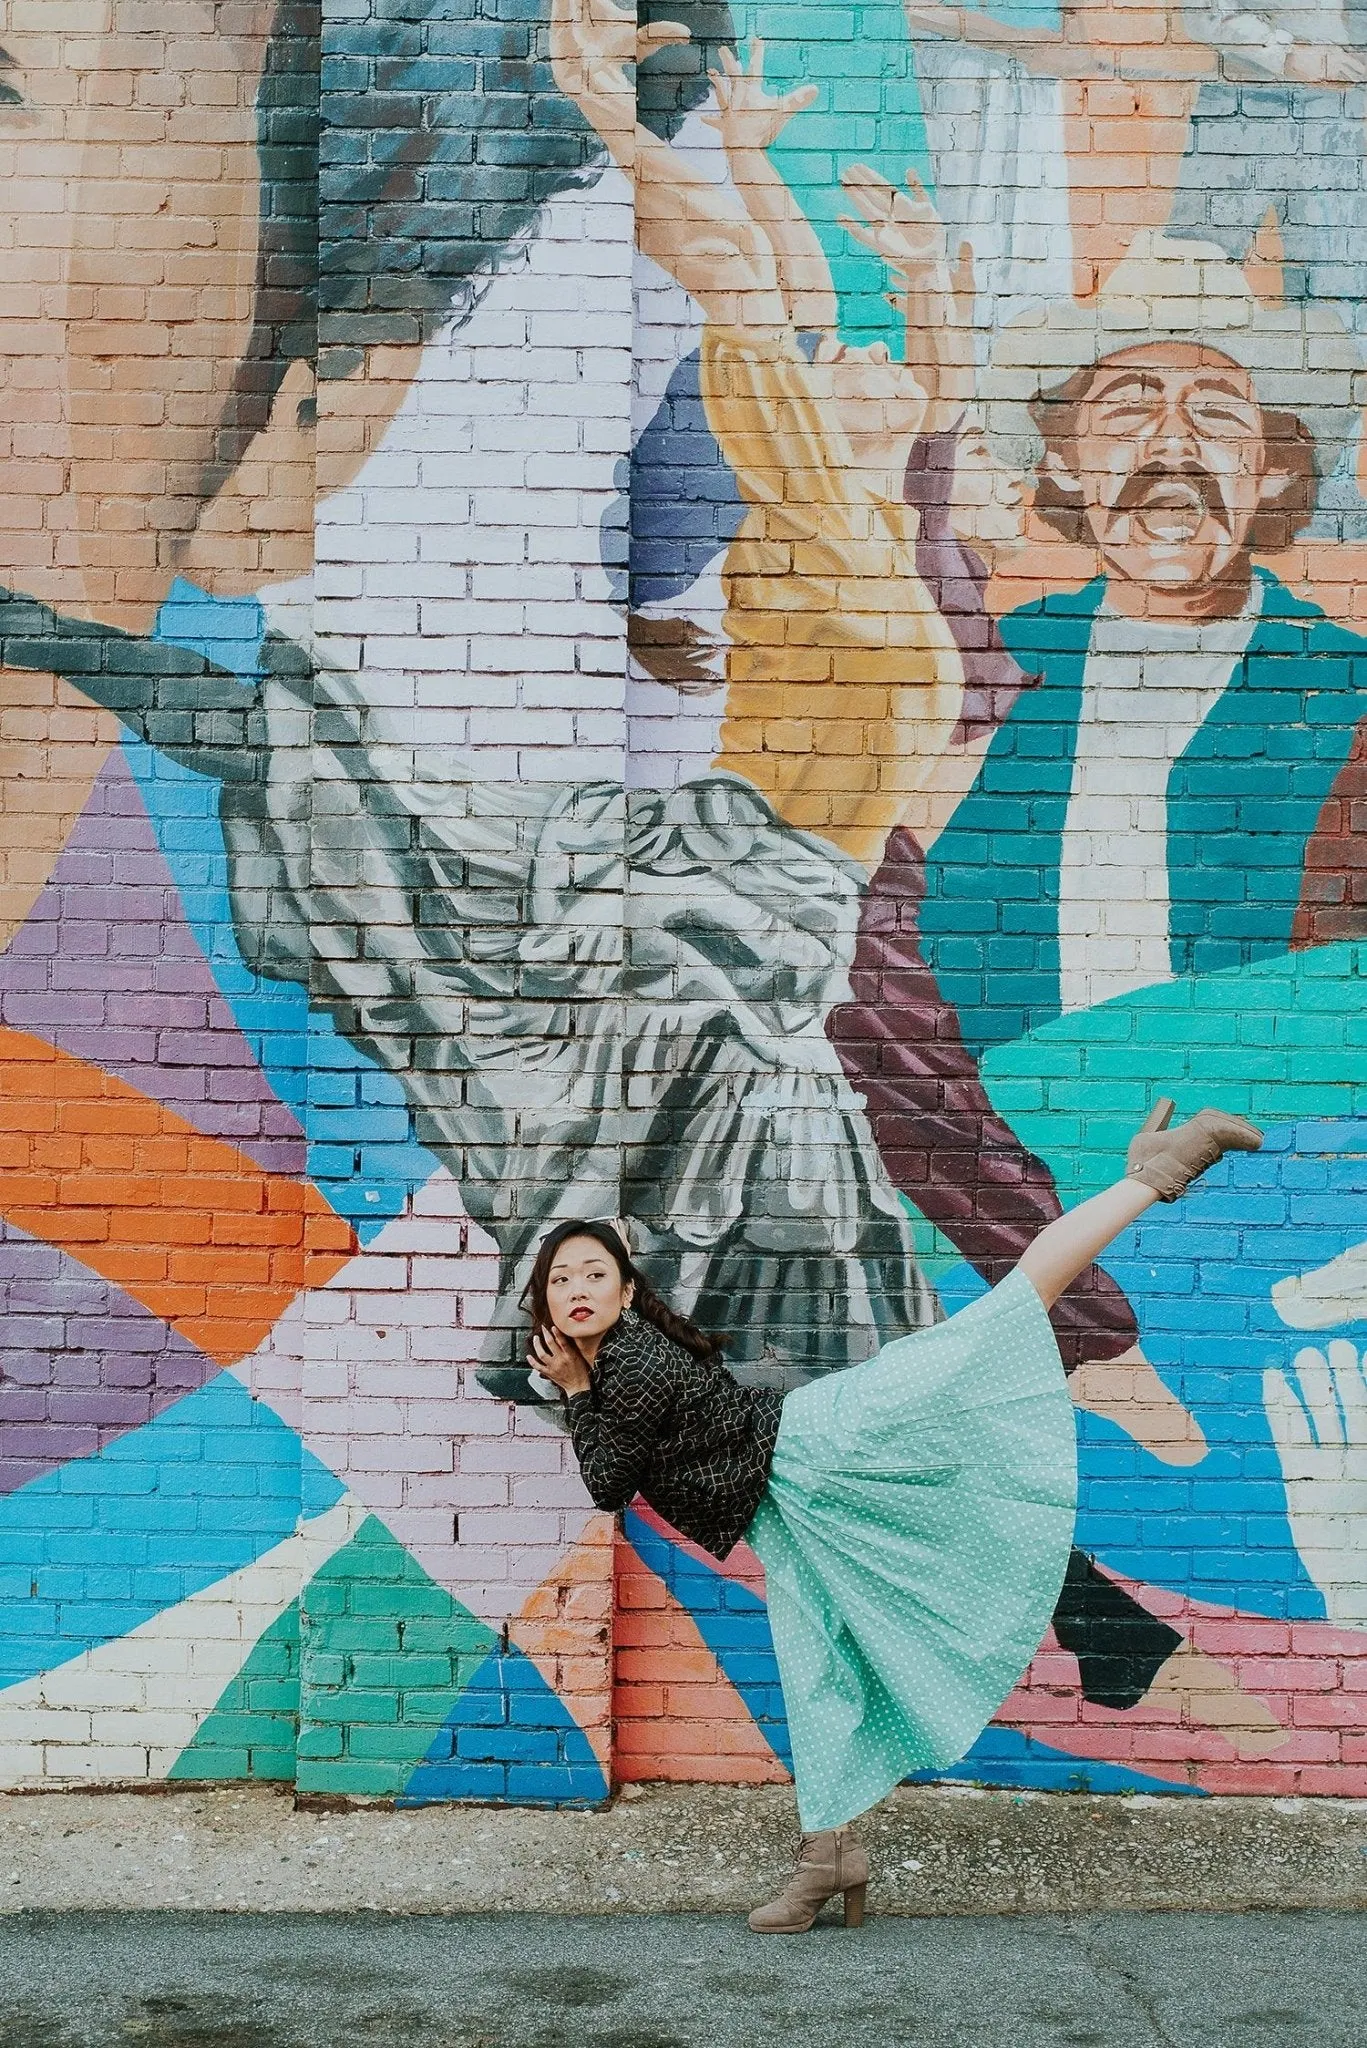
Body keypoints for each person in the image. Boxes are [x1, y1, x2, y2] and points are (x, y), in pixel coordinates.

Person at [525, 1100, 1264, 1929]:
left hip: (820, 1450)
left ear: (627, 1292)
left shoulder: (623, 1368)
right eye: (560, 1280)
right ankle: (829, 1856)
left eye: (593, 1274)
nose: (577, 1289)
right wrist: (581, 1390)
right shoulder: (618, 1367)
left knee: (1004, 1314)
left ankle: (1160, 1171)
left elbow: (607, 1484)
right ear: (543, 1307)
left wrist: (579, 1391)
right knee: (819, 1679)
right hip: (794, 1515)